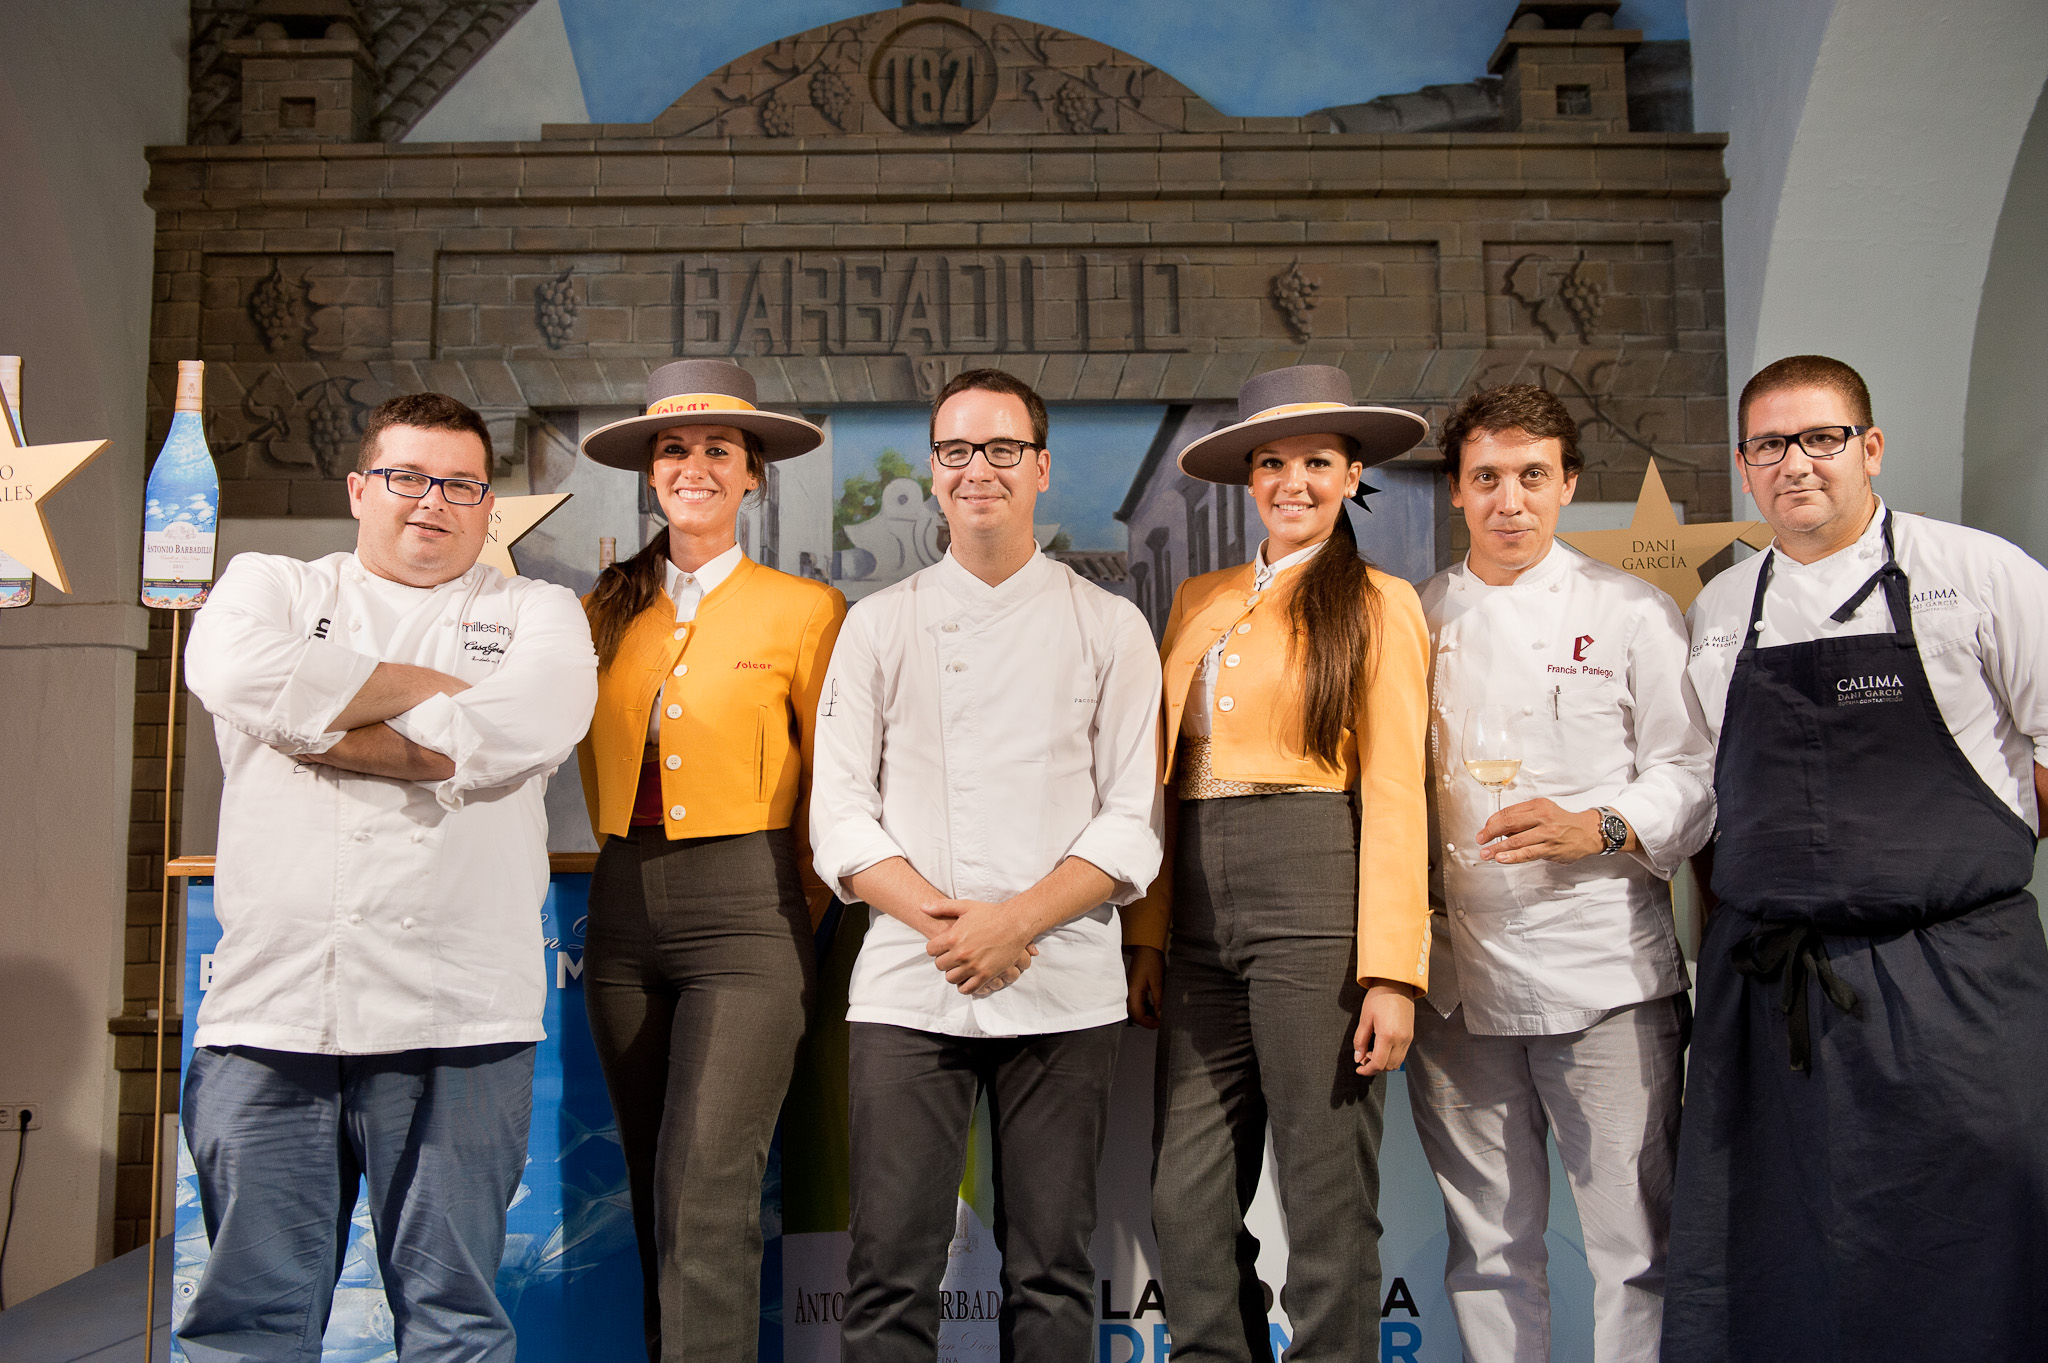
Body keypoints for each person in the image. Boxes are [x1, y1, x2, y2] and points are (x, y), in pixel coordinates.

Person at [178, 393, 597, 1363]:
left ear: (488, 506)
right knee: (247, 1322)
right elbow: (232, 667)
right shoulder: (267, 587)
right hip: (273, 1012)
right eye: (406, 476)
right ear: (361, 487)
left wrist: (315, 717)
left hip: (462, 1020)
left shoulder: (539, 613)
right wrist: (436, 698)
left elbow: (524, 726)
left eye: (459, 484)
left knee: (454, 1320)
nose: (430, 502)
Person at [1666, 355, 2048, 1362]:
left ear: (1868, 448)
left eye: (1819, 438)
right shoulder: (1717, 613)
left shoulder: (1979, 575)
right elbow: (1706, 804)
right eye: (1767, 444)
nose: (1795, 463)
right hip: (1775, 997)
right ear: (1744, 467)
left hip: (1958, 985)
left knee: (1984, 1240)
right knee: (1785, 1261)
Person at [809, 368, 1163, 1363]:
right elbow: (836, 816)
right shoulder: (878, 624)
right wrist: (949, 924)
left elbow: (1130, 821)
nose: (979, 469)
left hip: (1061, 982)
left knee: (1050, 1270)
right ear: (932, 472)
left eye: (1001, 449)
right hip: (909, 981)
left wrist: (1015, 923)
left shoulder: (1109, 625)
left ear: (1040, 468)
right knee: (886, 1270)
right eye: (957, 451)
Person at [1121, 363, 1433, 1363]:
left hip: (1316, 882)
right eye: (1270, 462)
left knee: (1322, 1190)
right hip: (1200, 903)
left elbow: (1393, 789)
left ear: (1349, 476)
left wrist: (1391, 968)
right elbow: (1164, 780)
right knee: (1184, 1192)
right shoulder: (1198, 597)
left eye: (1314, 461)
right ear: (1245, 478)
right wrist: (1149, 932)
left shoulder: (1379, 602)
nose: (1290, 480)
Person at [1408, 384, 1714, 1363]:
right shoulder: (1417, 618)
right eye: (1485, 478)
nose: (1509, 500)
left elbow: (1693, 774)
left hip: (1606, 978)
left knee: (1635, 1247)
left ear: (1567, 484)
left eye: (1530, 476)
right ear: (1455, 491)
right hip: (1458, 988)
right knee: (1486, 1248)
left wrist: (1603, 823)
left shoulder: (1629, 611)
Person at [573, 359, 846, 1363]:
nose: (694, 466)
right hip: (618, 910)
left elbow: (834, 788)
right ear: (651, 475)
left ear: (751, 477)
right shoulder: (600, 610)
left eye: (716, 451)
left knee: (706, 1189)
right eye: (673, 450)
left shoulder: (805, 610)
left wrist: (787, 907)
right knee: (655, 1190)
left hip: (752, 910)